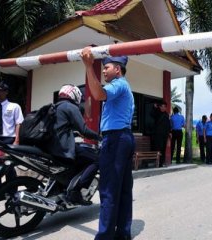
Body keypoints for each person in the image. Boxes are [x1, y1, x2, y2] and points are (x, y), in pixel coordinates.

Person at [81, 48, 135, 240]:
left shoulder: (118, 85)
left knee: (109, 191)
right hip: (124, 138)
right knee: (123, 190)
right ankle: (122, 234)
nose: (104, 71)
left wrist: (89, 66)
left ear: (118, 69)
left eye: (107, 67)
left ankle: (104, 237)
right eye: (102, 68)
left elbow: (98, 94)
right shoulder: (124, 87)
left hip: (116, 140)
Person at [42, 84, 100, 205]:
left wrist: (73, 134)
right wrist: (99, 136)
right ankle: (76, 191)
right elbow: (84, 130)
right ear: (74, 95)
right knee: (96, 160)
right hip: (62, 149)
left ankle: (63, 188)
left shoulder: (55, 107)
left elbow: (59, 129)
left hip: (49, 148)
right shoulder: (70, 107)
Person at [0, 82, 24, 187]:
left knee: (9, 165)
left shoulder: (14, 106)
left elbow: (18, 123)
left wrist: (17, 140)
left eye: (0, 91)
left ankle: (11, 190)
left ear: (6, 92)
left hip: (9, 139)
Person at [151, 100, 171, 167]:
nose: (163, 108)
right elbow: (151, 114)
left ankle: (161, 163)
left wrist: (169, 133)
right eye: (162, 106)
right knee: (158, 148)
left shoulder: (166, 114)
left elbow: (168, 125)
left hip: (164, 135)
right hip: (157, 135)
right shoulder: (157, 112)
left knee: (163, 149)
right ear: (160, 107)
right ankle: (157, 162)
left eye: (164, 107)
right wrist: (154, 107)